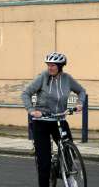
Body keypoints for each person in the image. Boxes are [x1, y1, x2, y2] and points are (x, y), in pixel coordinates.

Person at [21, 52, 86, 187]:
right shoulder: (42, 78)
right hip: (42, 122)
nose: (50, 67)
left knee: (69, 151)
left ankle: (67, 174)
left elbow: (81, 91)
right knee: (44, 162)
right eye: (48, 65)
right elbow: (26, 93)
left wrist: (80, 103)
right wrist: (32, 110)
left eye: (53, 65)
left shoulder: (67, 79)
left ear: (60, 66)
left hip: (59, 120)